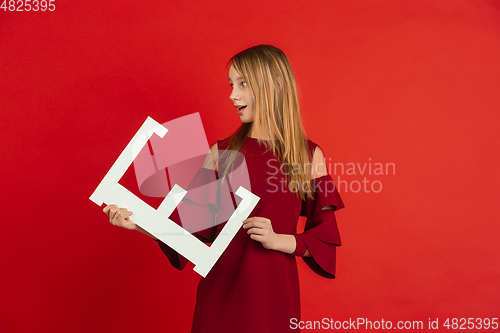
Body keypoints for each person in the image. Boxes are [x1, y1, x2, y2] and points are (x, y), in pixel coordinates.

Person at [103, 44, 345, 333]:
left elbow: (324, 240)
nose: (233, 94)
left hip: (273, 304)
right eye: (232, 84)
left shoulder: (307, 155)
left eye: (243, 84)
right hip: (219, 302)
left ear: (273, 85)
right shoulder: (220, 152)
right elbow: (189, 233)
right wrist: (137, 224)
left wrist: (277, 239)